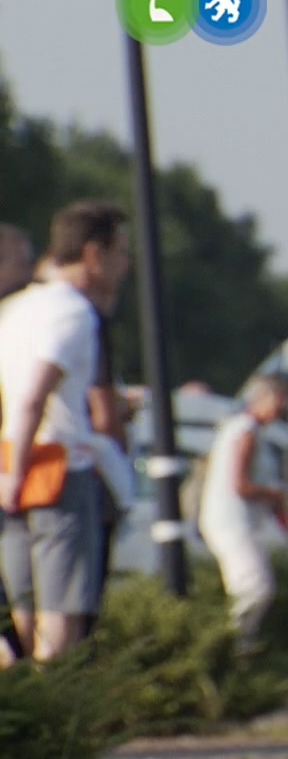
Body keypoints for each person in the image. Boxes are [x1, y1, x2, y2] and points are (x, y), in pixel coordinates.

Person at [0, 202, 131, 661]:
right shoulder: (73, 314)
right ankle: (59, 709)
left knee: (24, 609)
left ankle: (27, 711)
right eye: (121, 253)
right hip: (55, 467)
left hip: (8, 461)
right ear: (93, 255)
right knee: (62, 611)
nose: (126, 265)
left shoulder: (17, 308)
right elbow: (35, 393)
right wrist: (18, 473)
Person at [200, 375, 288, 649]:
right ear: (261, 399)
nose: (281, 408)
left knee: (251, 585)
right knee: (254, 586)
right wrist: (276, 494)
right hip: (232, 520)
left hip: (236, 520)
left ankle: (241, 642)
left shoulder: (241, 428)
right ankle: (232, 642)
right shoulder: (246, 430)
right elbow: (240, 484)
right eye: (278, 400)